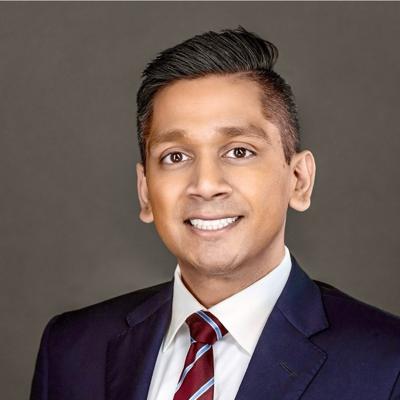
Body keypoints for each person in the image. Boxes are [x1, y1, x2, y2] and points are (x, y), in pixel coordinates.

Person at [30, 27, 400, 400]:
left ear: (299, 180)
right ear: (145, 191)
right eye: (175, 156)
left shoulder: (387, 364)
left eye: (239, 151)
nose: (206, 184)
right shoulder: (71, 349)